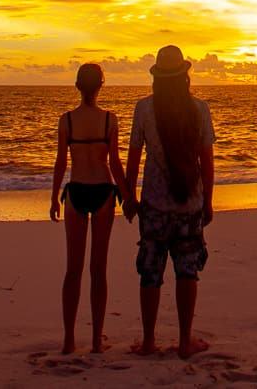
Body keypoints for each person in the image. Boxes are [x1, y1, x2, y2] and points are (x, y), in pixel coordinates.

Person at [123, 44, 216, 360]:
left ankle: (149, 342)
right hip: (190, 205)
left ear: (157, 78)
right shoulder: (199, 110)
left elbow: (133, 160)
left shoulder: (144, 109)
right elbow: (207, 162)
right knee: (187, 271)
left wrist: (129, 198)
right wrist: (209, 201)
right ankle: (185, 341)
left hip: (154, 206)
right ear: (185, 76)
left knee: (150, 272)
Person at [49, 62, 127, 355]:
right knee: (98, 268)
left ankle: (69, 340)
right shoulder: (109, 120)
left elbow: (61, 163)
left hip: (76, 191)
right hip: (104, 191)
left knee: (73, 269)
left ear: (77, 86)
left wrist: (54, 196)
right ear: (101, 85)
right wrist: (129, 196)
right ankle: (96, 341)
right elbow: (115, 164)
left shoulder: (66, 120)